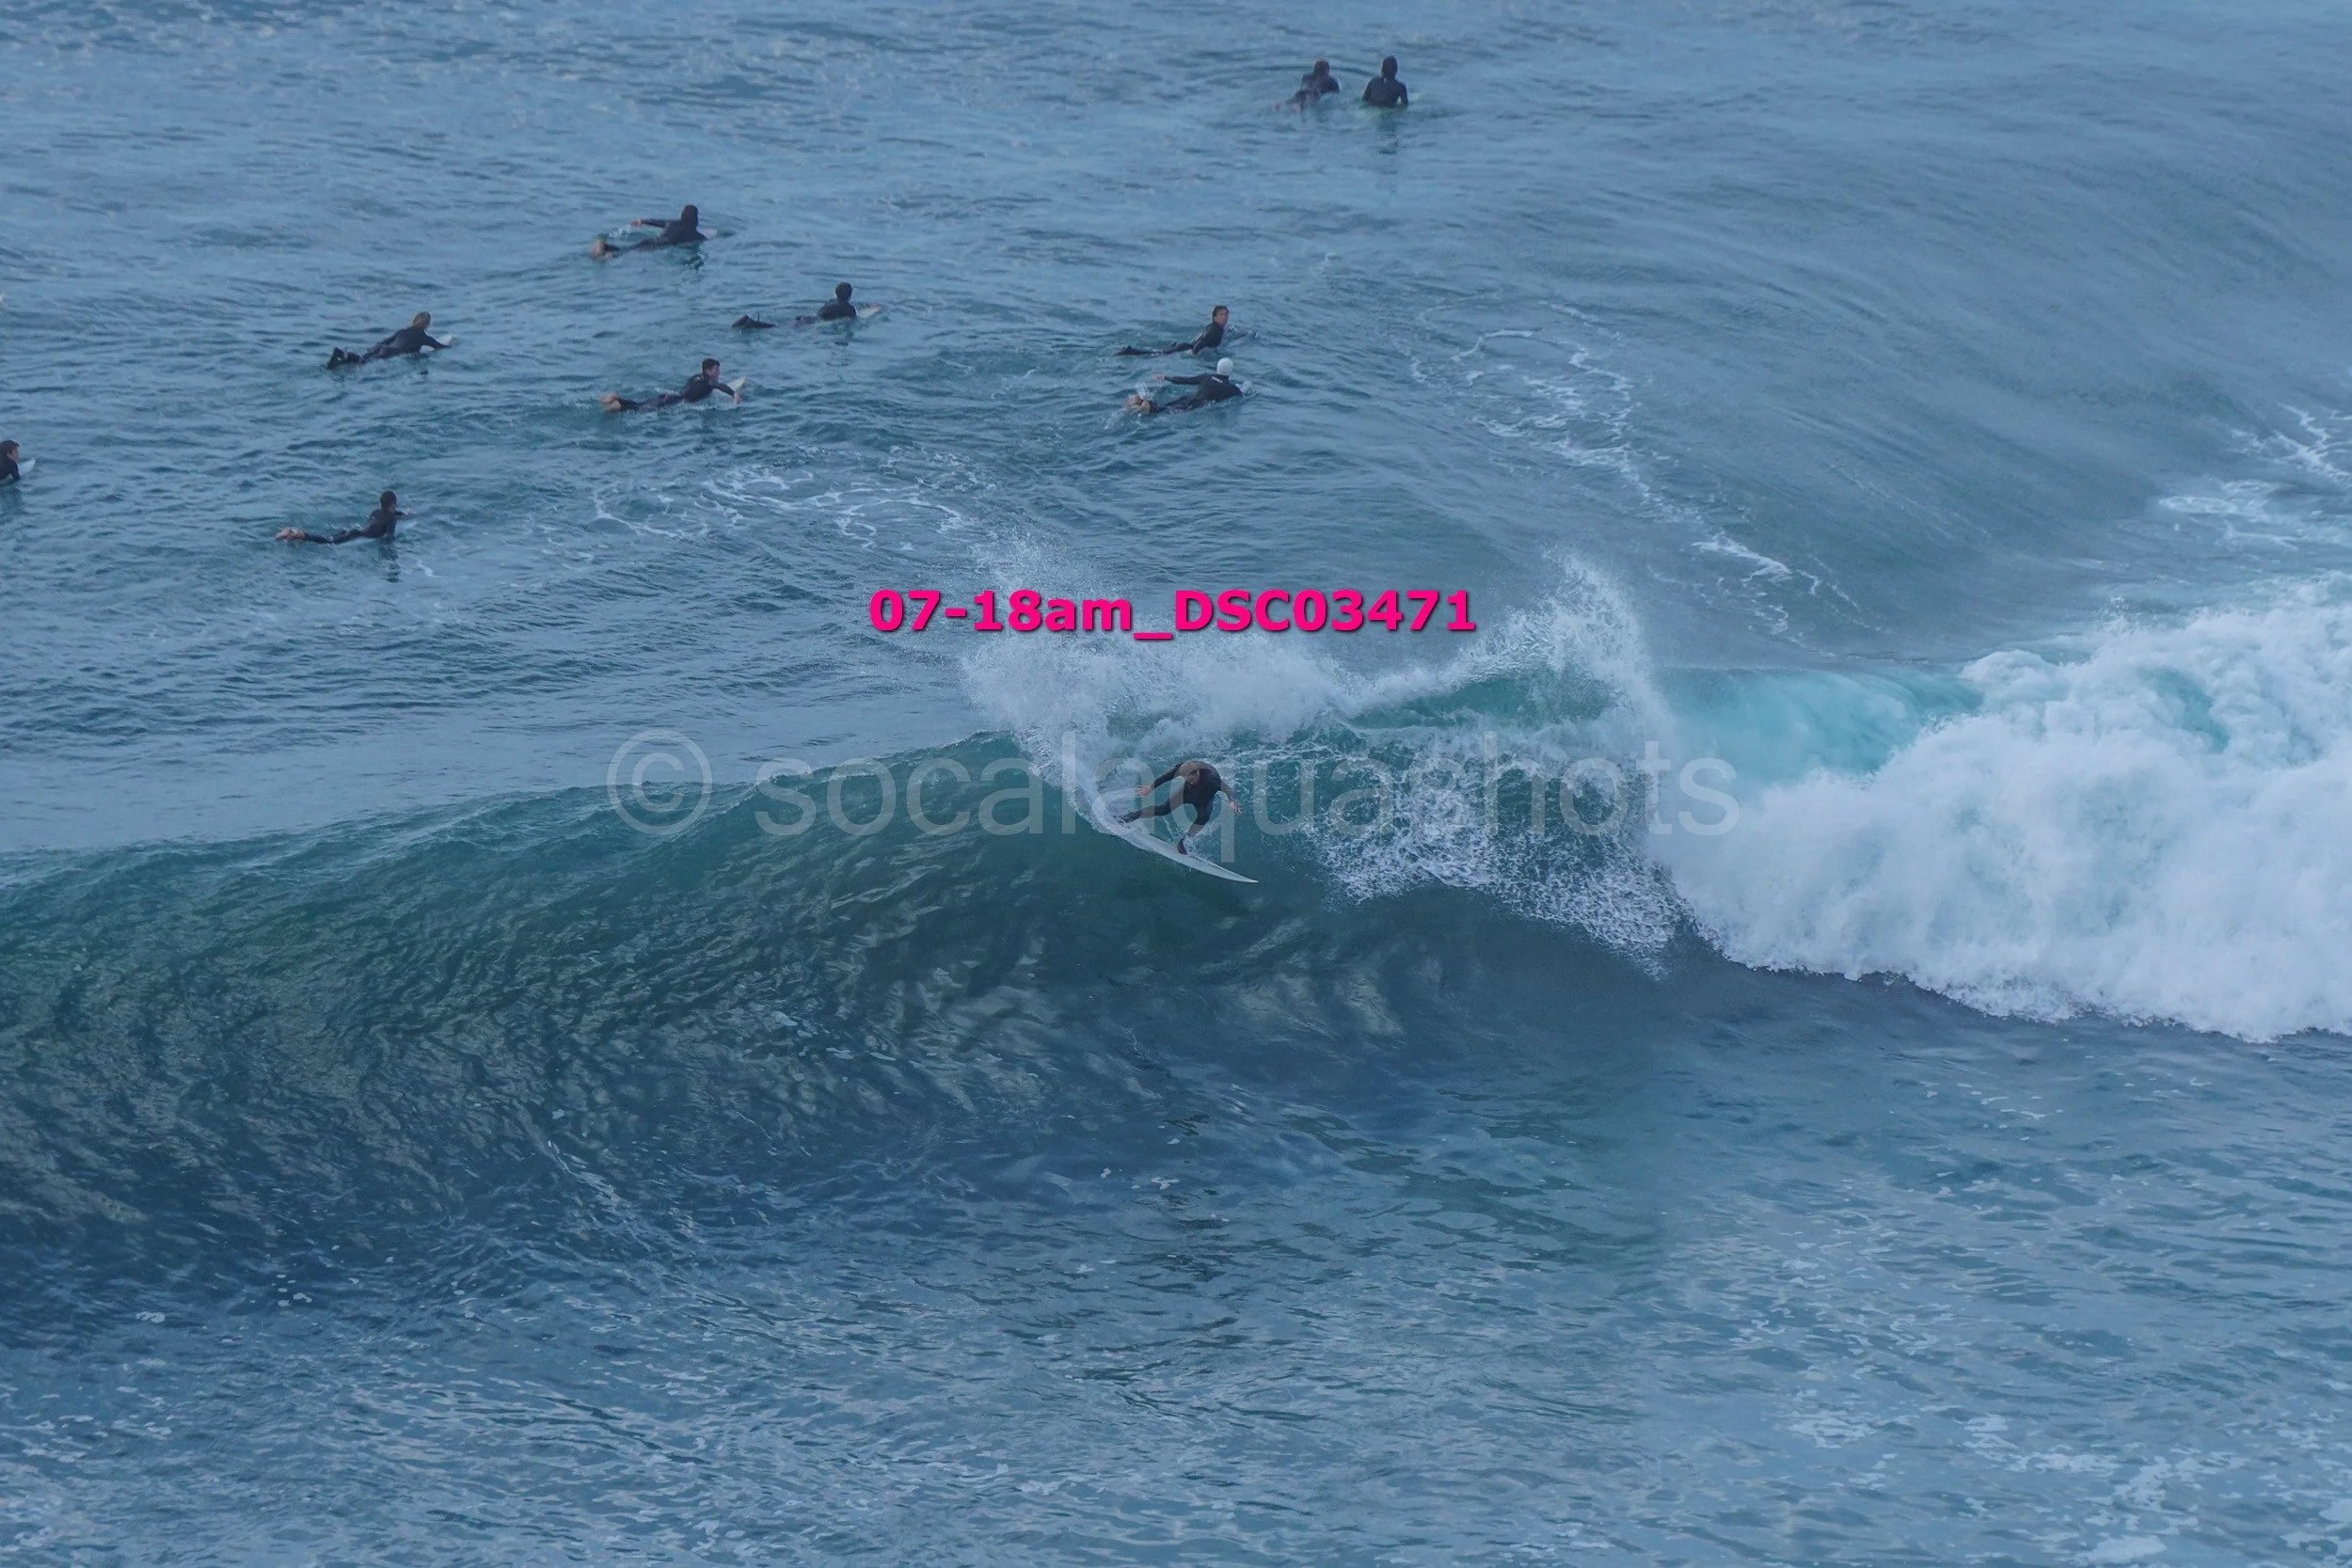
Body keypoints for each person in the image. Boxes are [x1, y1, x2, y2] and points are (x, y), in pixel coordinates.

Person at [1120, 760, 1237, 855]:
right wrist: (1150, 788)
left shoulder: (1211, 778)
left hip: (1204, 799)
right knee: (1163, 809)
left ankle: (1183, 842)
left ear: (1197, 773)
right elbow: (1165, 777)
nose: (1190, 782)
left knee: (1203, 818)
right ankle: (1130, 817)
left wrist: (1232, 801)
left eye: (1191, 779)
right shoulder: (1183, 768)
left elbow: (1229, 790)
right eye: (1186, 780)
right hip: (1186, 793)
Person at [597, 358, 741, 412]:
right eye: (716, 369)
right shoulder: (710, 381)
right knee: (639, 410)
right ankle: (618, 403)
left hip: (669, 396)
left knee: (639, 405)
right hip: (675, 401)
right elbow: (719, 385)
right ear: (708, 371)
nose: (719, 372)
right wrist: (733, 393)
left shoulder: (695, 377)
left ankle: (618, 401)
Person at [327, 311, 450, 368]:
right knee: (362, 363)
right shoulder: (424, 338)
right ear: (427, 324)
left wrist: (375, 347)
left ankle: (343, 357)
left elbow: (385, 341)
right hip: (391, 353)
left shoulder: (402, 331)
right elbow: (439, 347)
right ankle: (341, 355)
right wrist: (453, 346)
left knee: (362, 359)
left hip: (381, 347)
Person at [277, 491, 405, 545]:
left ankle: (295, 534)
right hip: (357, 537)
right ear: (393, 504)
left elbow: (384, 518)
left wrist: (402, 514)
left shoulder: (376, 512)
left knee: (328, 539)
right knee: (328, 542)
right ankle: (298, 534)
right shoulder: (391, 519)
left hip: (355, 531)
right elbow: (389, 537)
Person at [1126, 358, 1241, 416]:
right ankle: (1147, 406)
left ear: (1217, 367)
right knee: (1165, 411)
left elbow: (1185, 380)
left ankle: (1141, 401)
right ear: (1230, 371)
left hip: (1187, 398)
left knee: (1165, 406)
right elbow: (1243, 397)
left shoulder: (1206, 377)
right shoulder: (1232, 389)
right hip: (1197, 404)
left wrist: (1166, 377)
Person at [591, 204, 707, 259]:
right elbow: (704, 239)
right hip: (660, 246)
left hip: (651, 240)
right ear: (696, 219)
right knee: (627, 252)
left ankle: (605, 246)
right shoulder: (696, 236)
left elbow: (658, 222)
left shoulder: (672, 223)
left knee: (628, 249)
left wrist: (643, 221)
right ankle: (610, 256)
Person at [735, 281, 863, 330]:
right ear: (850, 296)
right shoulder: (849, 308)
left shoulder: (830, 303)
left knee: (779, 326)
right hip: (813, 322)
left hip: (808, 317)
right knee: (777, 328)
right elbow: (853, 319)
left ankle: (751, 322)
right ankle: (752, 323)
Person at [1117, 305, 1229, 357]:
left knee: (1158, 352)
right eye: (1221, 314)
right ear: (1214, 317)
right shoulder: (1215, 330)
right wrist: (1193, 353)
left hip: (1183, 346)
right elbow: (1203, 341)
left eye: (1226, 314)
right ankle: (1130, 351)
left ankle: (1132, 351)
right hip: (1185, 348)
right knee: (1156, 354)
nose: (1225, 317)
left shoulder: (1213, 327)